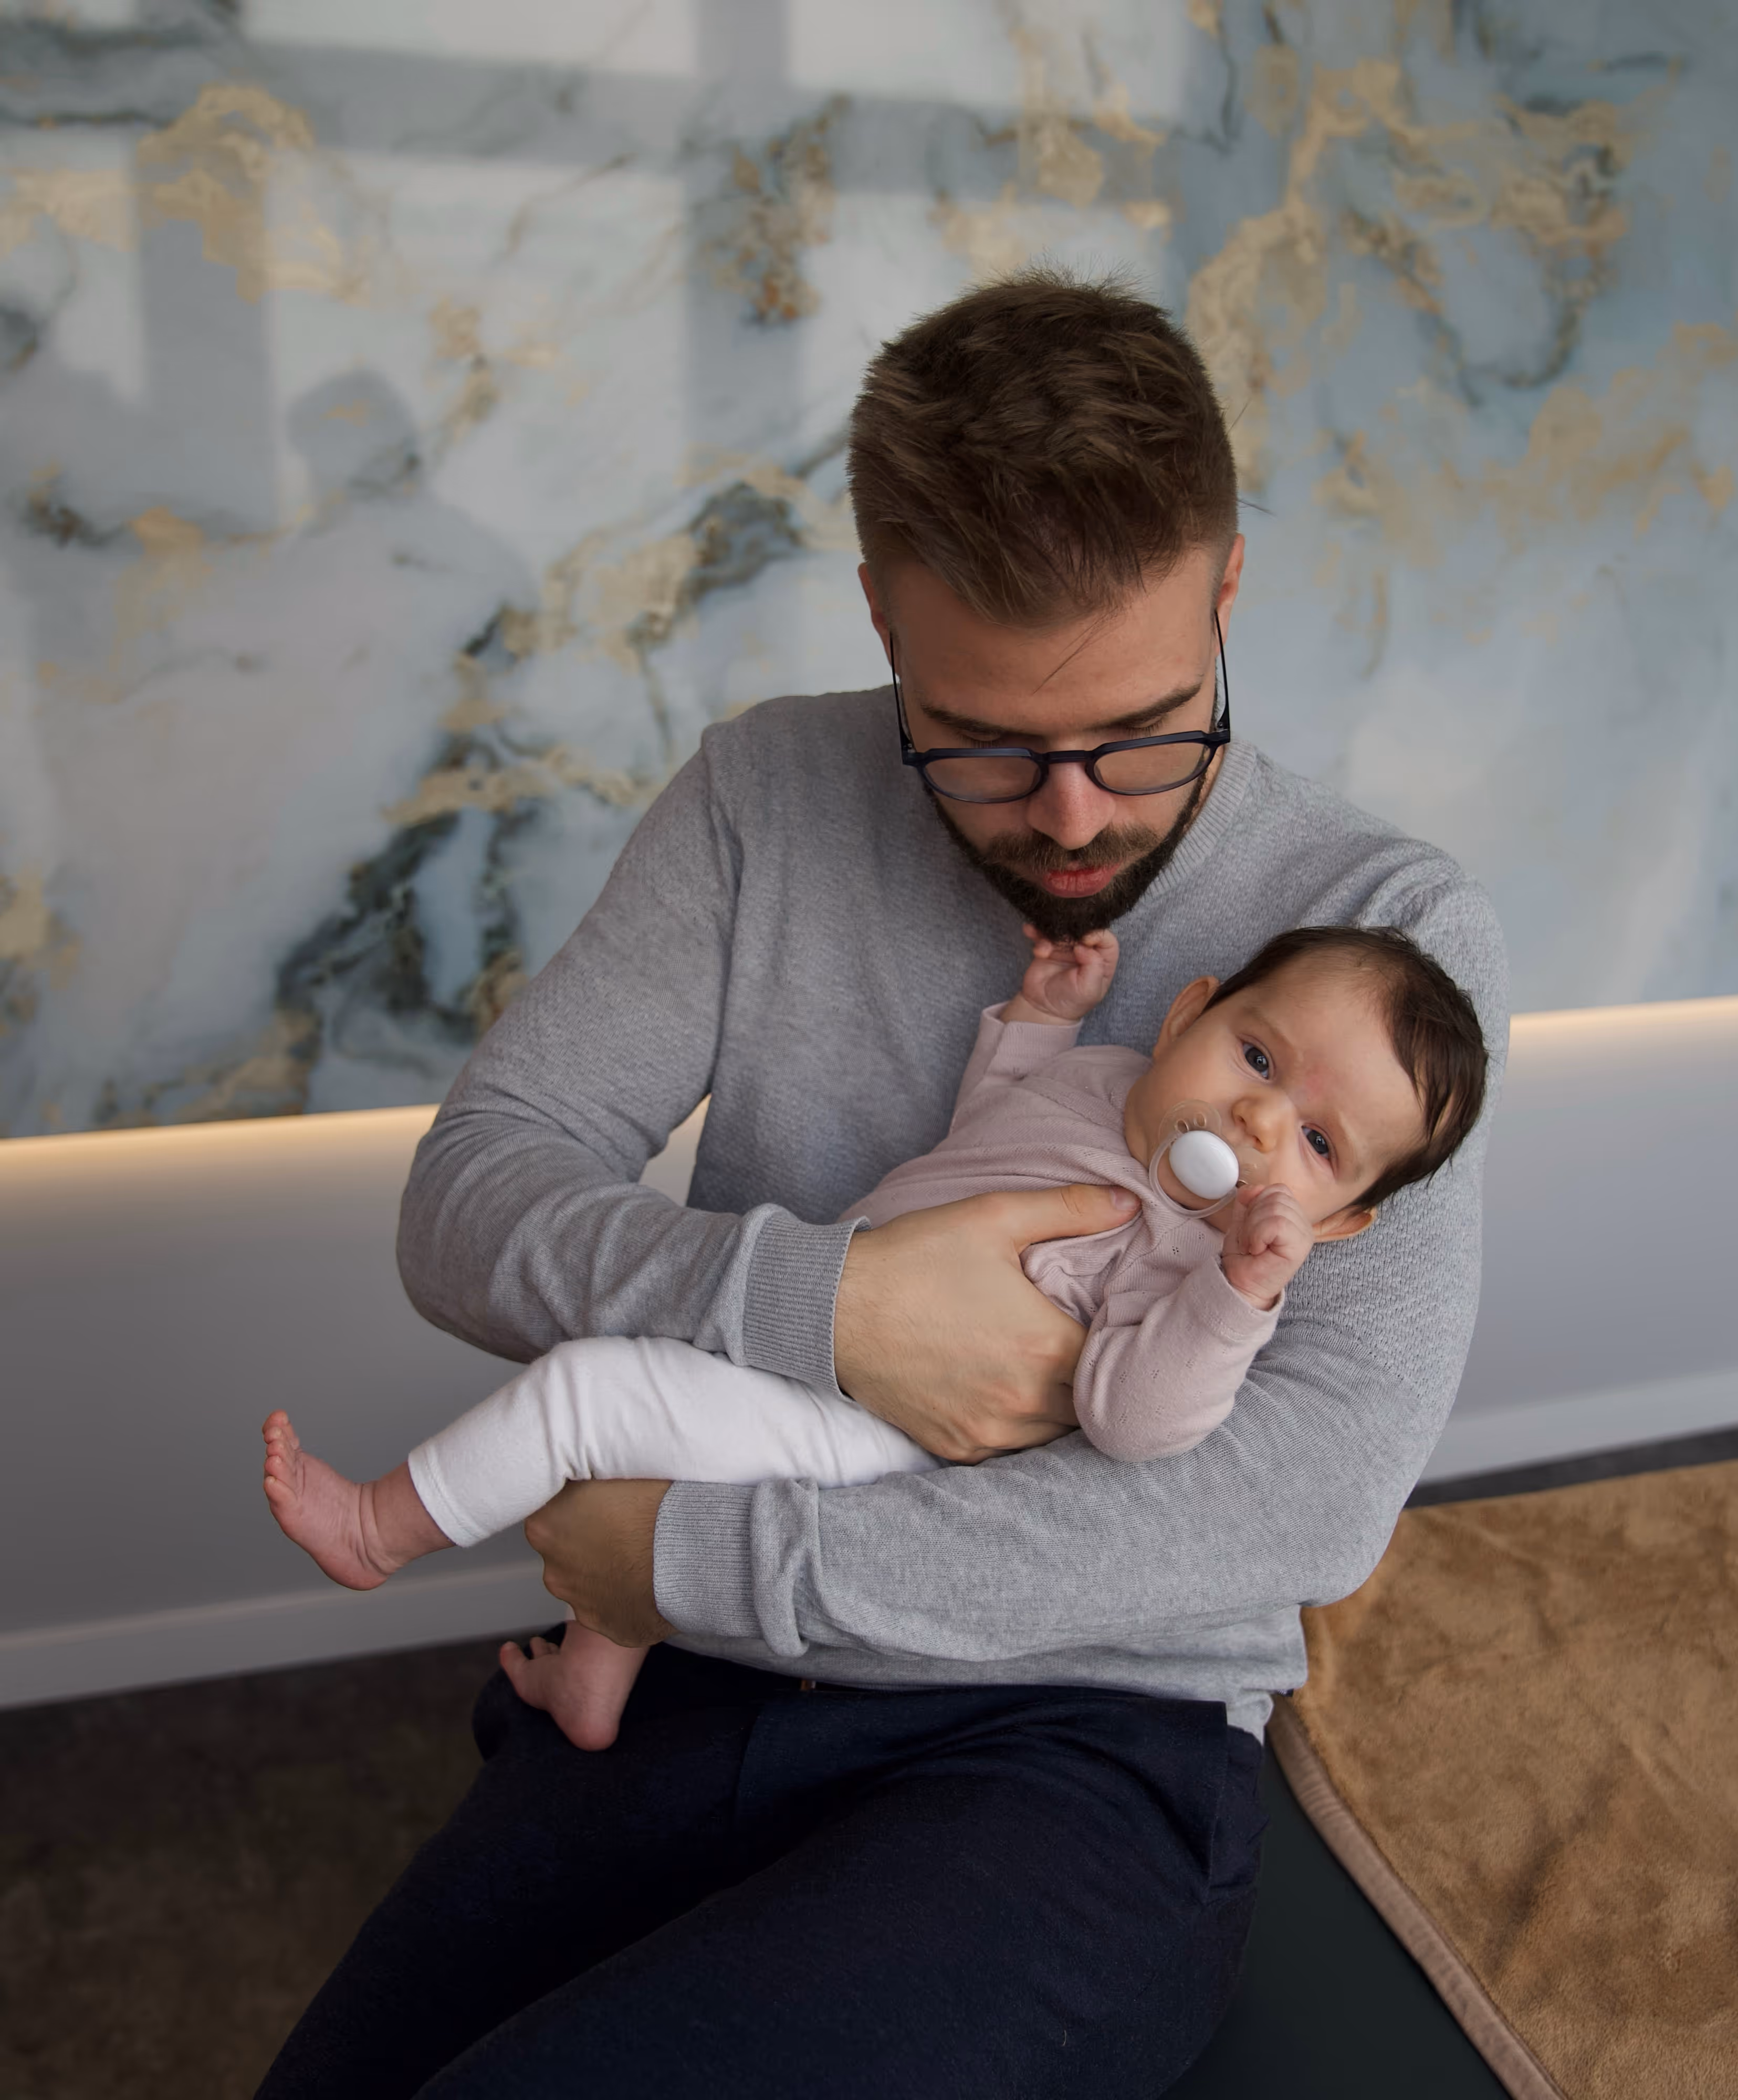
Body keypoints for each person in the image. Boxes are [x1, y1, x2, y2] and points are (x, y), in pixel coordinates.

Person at [256, 269, 1508, 2099]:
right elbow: (470, 1197)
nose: (1072, 817)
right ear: (877, 615)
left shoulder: (1393, 943)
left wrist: (693, 1556)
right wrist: (825, 1307)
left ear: (1228, 584)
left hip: (1076, 1734)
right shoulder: (764, 795)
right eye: (987, 742)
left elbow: (1307, 1505)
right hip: (696, 1667)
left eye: (1140, 731)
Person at [259, 919, 1488, 1751]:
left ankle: (380, 1527)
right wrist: (1039, 1019)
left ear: (1341, 1223)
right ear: (1187, 1015)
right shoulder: (1110, 1083)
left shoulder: (1188, 1261)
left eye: (1319, 1148)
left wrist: (1235, 1296)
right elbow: (983, 1130)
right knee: (644, 1452)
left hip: (885, 1437)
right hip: (817, 1327)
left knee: (590, 1391)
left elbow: (1137, 1416)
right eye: (1257, 1055)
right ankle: (594, 1683)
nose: (1261, 1119)